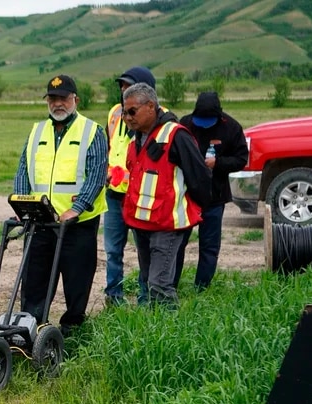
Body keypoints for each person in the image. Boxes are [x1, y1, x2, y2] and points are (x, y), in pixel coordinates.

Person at [13, 74, 108, 334]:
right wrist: (23, 204)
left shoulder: (92, 131)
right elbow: (24, 169)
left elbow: (97, 174)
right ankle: (30, 328)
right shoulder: (37, 131)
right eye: (52, 99)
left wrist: (77, 209)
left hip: (77, 224)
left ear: (75, 100)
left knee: (77, 280)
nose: (58, 104)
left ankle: (72, 330)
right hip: (41, 220)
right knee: (34, 279)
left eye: (63, 98)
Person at [121, 83, 212, 307]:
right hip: (141, 224)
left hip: (167, 226)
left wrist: (196, 211)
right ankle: (153, 330)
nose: (127, 117)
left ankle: (170, 335)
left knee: (160, 285)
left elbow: (200, 178)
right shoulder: (136, 139)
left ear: (150, 106)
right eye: (124, 112)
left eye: (132, 111)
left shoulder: (176, 135)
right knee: (147, 281)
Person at [174, 91, 249, 290]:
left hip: (214, 198)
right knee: (177, 243)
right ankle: (170, 284)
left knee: (209, 246)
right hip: (186, 197)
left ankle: (201, 287)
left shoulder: (231, 127)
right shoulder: (185, 124)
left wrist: (219, 163)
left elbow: (242, 159)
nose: (204, 124)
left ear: (219, 115)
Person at [104, 66, 158, 307]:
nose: (123, 90)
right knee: (113, 250)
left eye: (129, 86)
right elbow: (109, 145)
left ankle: (146, 298)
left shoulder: (157, 117)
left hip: (142, 196)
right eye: (122, 86)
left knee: (145, 252)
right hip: (115, 194)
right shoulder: (115, 113)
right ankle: (114, 298)